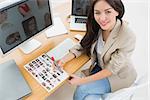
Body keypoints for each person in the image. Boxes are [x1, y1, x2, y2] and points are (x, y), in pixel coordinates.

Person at [57, 0, 137, 100]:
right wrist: (63, 60)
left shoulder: (127, 35)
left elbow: (110, 70)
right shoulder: (97, 26)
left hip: (118, 76)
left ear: (117, 11)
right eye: (97, 12)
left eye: (108, 12)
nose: (102, 18)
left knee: (82, 89)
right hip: (101, 67)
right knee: (90, 97)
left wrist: (82, 81)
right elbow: (83, 45)